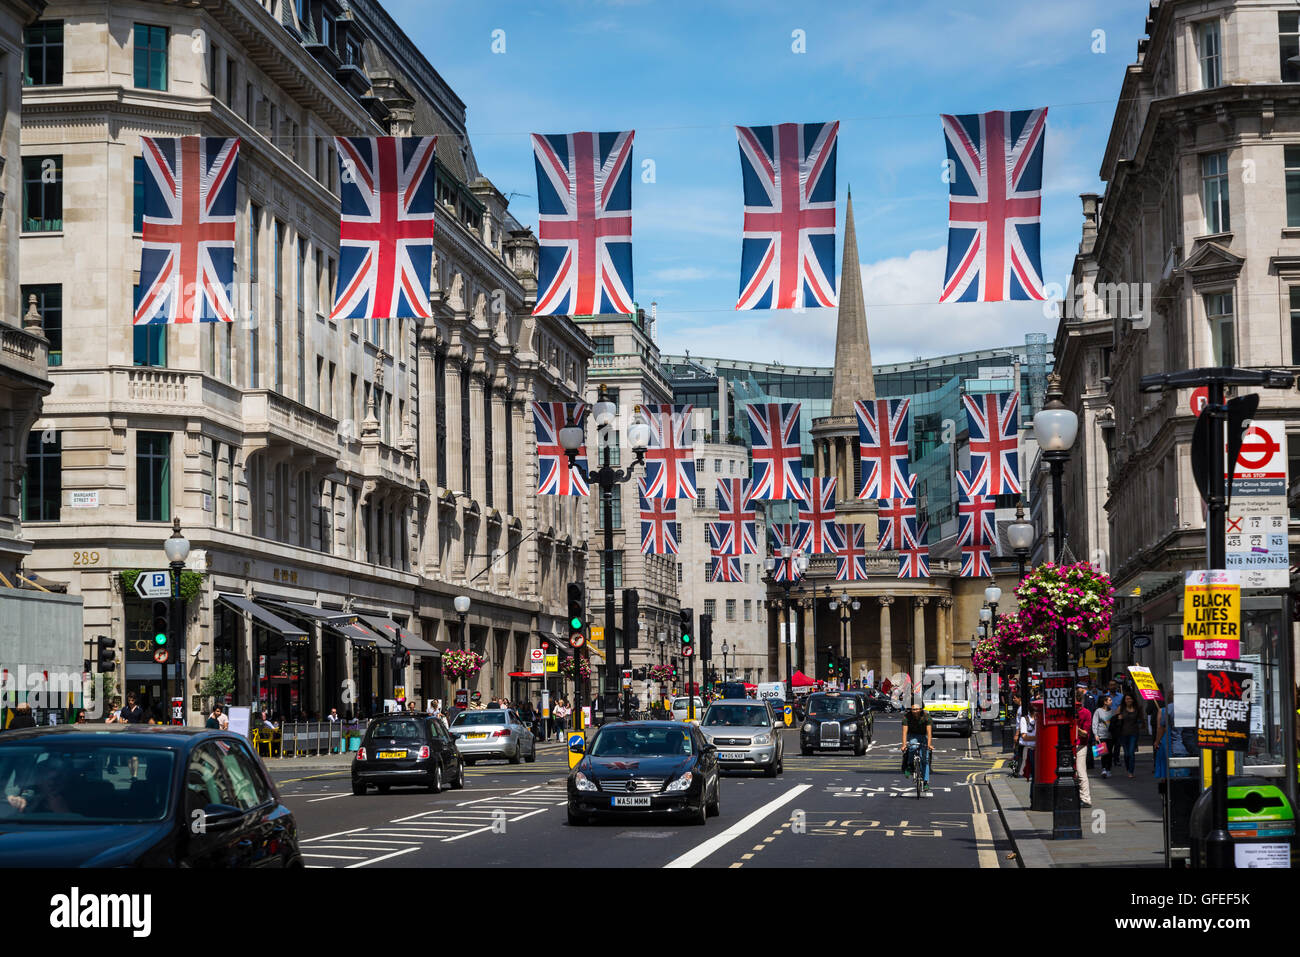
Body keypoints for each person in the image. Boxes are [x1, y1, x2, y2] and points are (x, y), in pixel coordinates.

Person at [899, 701, 934, 795]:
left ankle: (926, 782)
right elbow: (904, 732)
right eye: (913, 709)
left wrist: (929, 745)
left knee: (925, 759)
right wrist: (904, 745)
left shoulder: (927, 717)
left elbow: (929, 733)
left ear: (921, 709)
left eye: (916, 709)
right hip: (913, 735)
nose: (914, 711)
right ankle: (910, 765)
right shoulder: (907, 717)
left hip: (923, 736)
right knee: (913, 746)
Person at [1113, 692, 1143, 778]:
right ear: (1124, 700)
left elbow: (1141, 720)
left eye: (1130, 698)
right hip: (1123, 734)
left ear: (1133, 700)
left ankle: (1131, 771)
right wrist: (1118, 718)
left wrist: (1140, 724)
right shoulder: (1121, 708)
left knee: (1131, 753)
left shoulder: (1137, 709)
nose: (1129, 700)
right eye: (1127, 699)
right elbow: (1113, 720)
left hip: (1134, 733)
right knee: (1126, 754)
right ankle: (1128, 768)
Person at [1074, 688, 1092, 809]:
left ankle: (1085, 799)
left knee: (1081, 772)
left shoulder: (1086, 713)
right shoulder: (1069, 712)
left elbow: (1085, 733)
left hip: (1080, 745)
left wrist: (1075, 727)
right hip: (1069, 744)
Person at [1092, 693, 1116, 778]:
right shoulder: (1098, 711)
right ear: (1105, 702)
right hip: (1101, 735)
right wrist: (1095, 734)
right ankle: (1104, 769)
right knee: (1103, 753)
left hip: (1110, 736)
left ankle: (1109, 769)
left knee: (1109, 753)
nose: (1111, 701)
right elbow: (1095, 723)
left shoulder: (1113, 711)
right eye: (1109, 700)